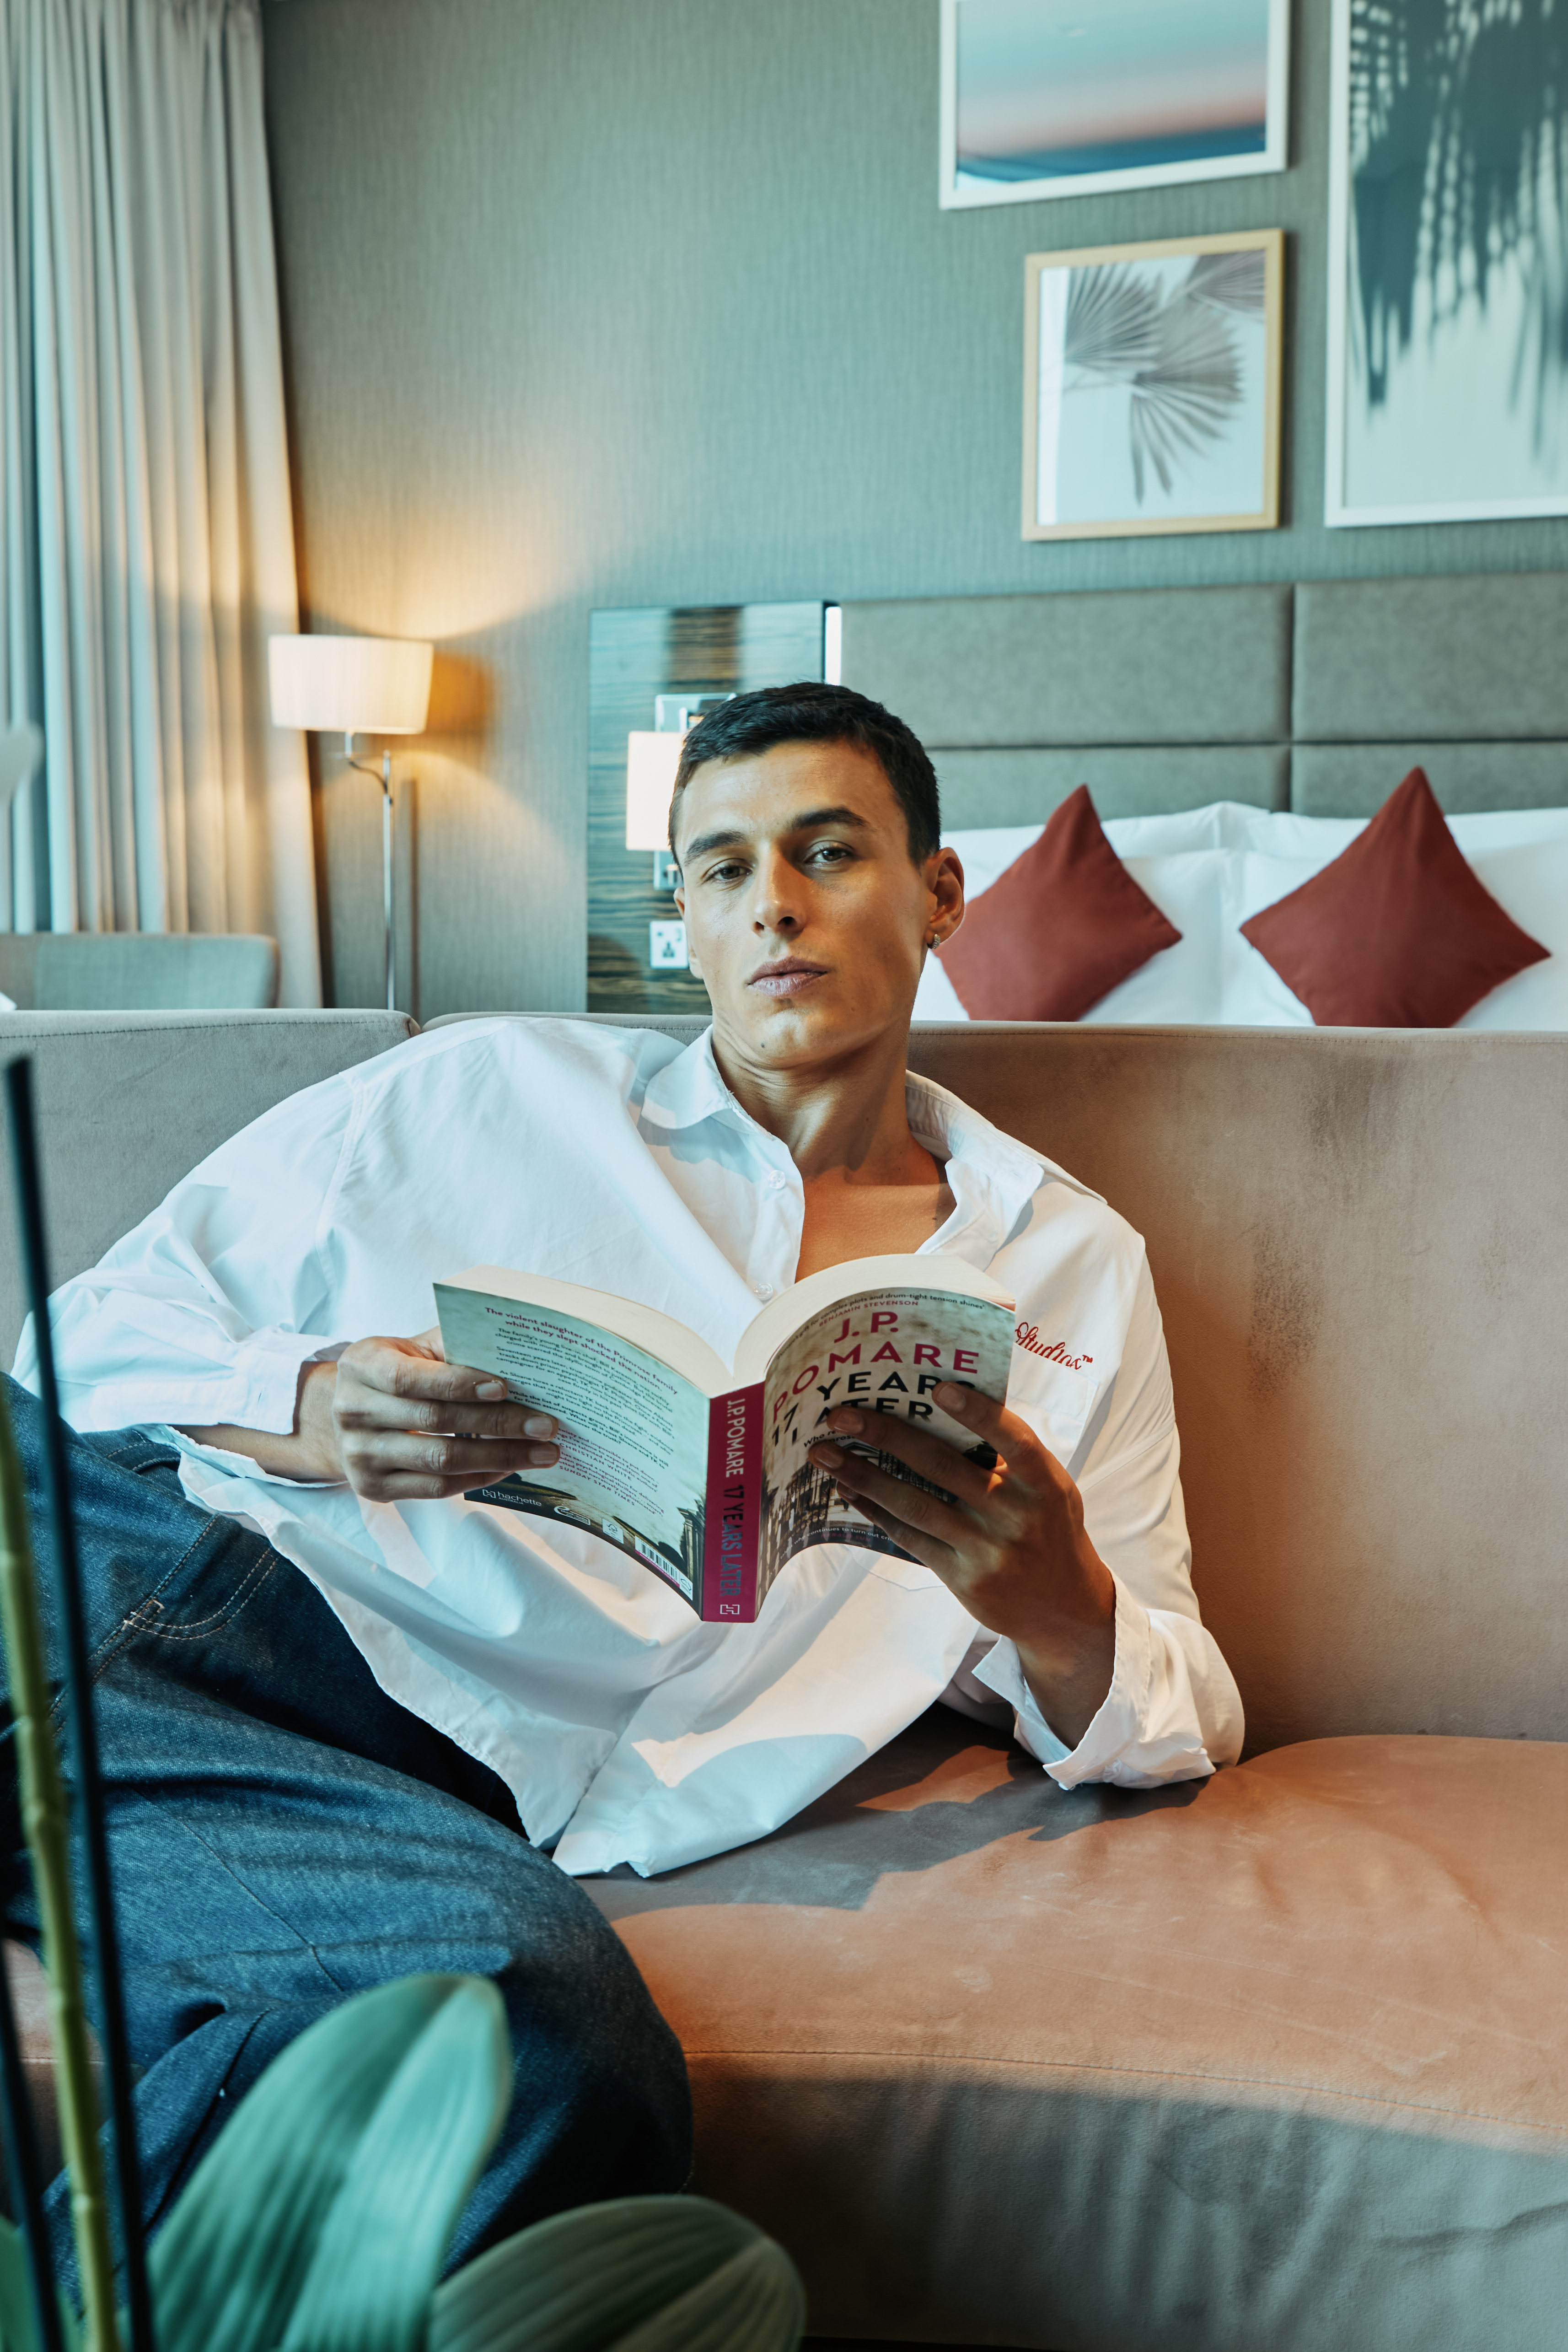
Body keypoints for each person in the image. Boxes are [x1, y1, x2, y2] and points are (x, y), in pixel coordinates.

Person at [7, 682, 1241, 2265]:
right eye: (720, 870)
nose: (772, 906)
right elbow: (72, 1335)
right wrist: (295, 1403)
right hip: (144, 1567)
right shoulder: (481, 1090)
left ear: (940, 893)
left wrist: (1056, 1605)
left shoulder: (1068, 1266)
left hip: (391, 1782)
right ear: (683, 920)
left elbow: (1181, 1696)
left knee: (548, 2041)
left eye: (825, 851)